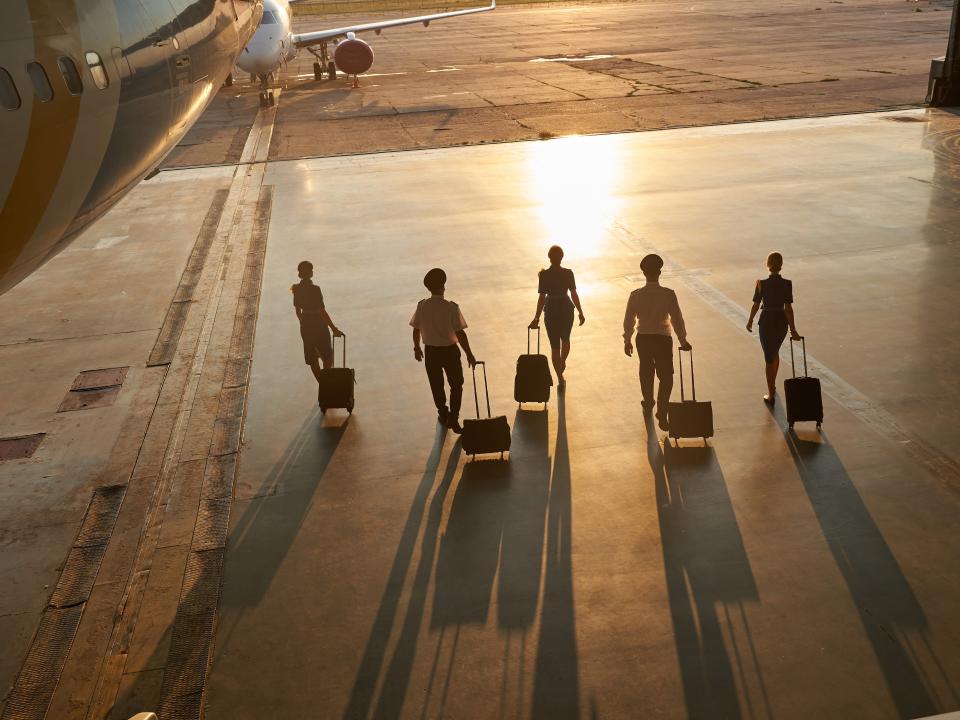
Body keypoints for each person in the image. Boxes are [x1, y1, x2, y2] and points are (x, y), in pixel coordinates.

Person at [623, 254, 691, 431]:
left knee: (646, 371)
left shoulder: (635, 295)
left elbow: (629, 320)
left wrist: (627, 339)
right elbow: (677, 319)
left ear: (644, 273)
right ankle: (662, 411)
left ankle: (648, 400)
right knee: (666, 377)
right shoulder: (668, 294)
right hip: (662, 339)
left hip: (643, 338)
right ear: (659, 272)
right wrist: (683, 341)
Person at [411, 268, 478, 434]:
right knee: (456, 385)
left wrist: (417, 347)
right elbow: (460, 333)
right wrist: (469, 353)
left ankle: (443, 412)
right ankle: (453, 418)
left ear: (429, 288)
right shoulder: (451, 307)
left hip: (431, 352)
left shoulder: (422, 306)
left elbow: (416, 329)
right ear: (443, 287)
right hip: (450, 352)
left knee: (436, 385)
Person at [746, 251, 801, 404]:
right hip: (781, 322)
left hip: (766, 322)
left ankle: (770, 394)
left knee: (768, 356)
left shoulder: (761, 283)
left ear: (768, 265)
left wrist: (750, 320)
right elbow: (788, 309)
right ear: (781, 265)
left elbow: (756, 305)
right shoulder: (787, 283)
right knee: (773, 352)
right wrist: (793, 329)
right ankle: (773, 387)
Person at [529, 245, 585, 388]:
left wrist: (536, 318)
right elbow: (573, 294)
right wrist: (580, 312)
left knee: (554, 346)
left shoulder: (544, 275)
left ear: (549, 258)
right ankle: (563, 361)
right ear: (562, 257)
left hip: (551, 310)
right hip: (566, 308)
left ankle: (560, 377)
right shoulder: (568, 273)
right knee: (565, 339)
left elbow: (542, 297)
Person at [292, 261, 343, 388]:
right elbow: (322, 311)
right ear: (310, 273)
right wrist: (334, 329)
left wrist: (304, 322)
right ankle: (326, 381)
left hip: (305, 326)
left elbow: (298, 312)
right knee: (327, 356)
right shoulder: (315, 289)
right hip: (319, 325)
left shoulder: (296, 289)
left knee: (312, 357)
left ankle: (322, 384)